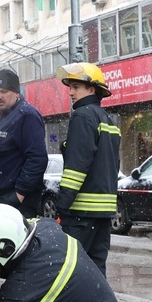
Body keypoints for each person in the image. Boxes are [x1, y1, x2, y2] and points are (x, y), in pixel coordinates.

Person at [54, 62, 121, 275]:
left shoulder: (83, 115)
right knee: (96, 269)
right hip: (103, 213)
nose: (71, 93)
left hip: (81, 213)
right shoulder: (108, 120)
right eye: (70, 87)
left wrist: (62, 205)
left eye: (76, 87)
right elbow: (110, 166)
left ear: (92, 89)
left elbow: (76, 167)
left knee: (69, 269)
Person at [0, 69, 48, 217]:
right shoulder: (7, 116)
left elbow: (37, 158)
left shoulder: (26, 115)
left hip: (17, 200)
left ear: (16, 92)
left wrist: (20, 193)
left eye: (3, 92)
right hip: (2, 195)